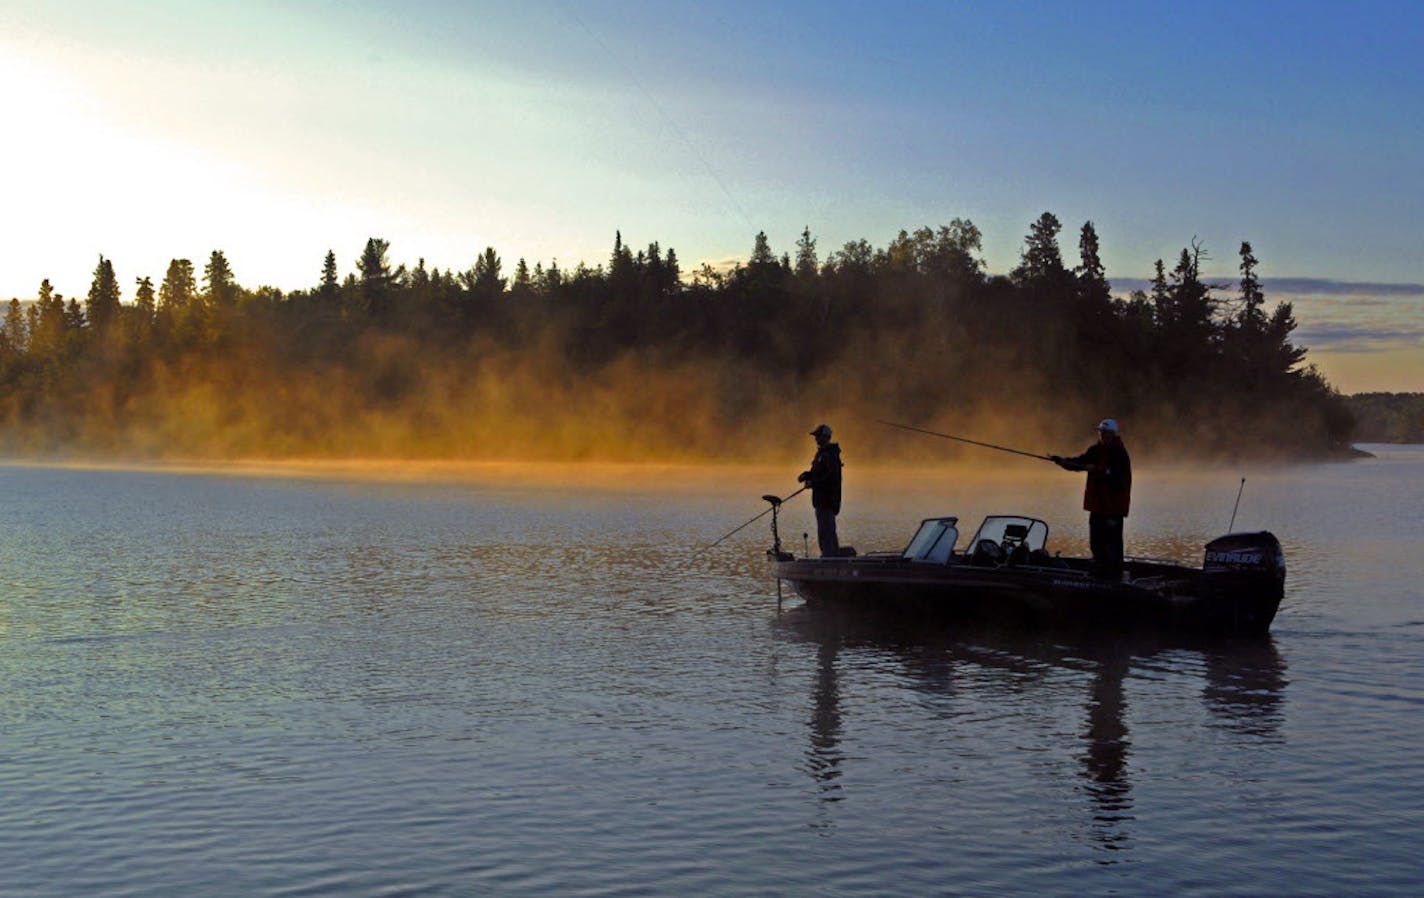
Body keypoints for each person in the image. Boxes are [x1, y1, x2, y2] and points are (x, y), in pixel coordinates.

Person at [1051, 418, 1132, 580]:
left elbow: (1118, 479)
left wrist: (1098, 470)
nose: (1102, 435)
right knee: (1096, 542)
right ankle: (1100, 573)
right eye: (1100, 432)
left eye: (1105, 432)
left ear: (1113, 434)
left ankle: (1114, 576)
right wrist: (1062, 461)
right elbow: (1080, 463)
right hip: (1097, 507)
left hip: (1113, 509)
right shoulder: (1095, 450)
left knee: (1113, 545)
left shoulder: (1120, 454)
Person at [798, 424, 843, 557]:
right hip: (820, 500)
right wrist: (807, 475)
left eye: (818, 436)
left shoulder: (830, 455)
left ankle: (830, 558)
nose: (816, 438)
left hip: (828, 500)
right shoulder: (821, 454)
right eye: (816, 436)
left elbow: (831, 478)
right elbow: (817, 473)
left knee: (827, 531)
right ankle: (828, 556)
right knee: (823, 532)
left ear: (826, 437)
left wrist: (814, 483)